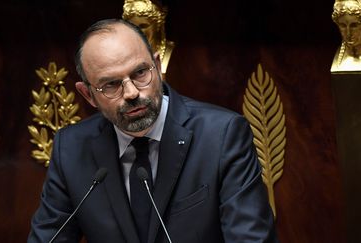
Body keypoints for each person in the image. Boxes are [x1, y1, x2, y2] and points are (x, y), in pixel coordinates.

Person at [28, 18, 278, 243]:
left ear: (157, 66)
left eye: (139, 73)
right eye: (111, 85)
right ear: (88, 94)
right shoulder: (71, 148)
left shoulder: (222, 136)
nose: (132, 93)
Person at [122, 0, 175, 78]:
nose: (138, 31)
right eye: (132, 26)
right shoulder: (122, 53)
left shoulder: (169, 52)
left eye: (144, 26)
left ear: (157, 25)